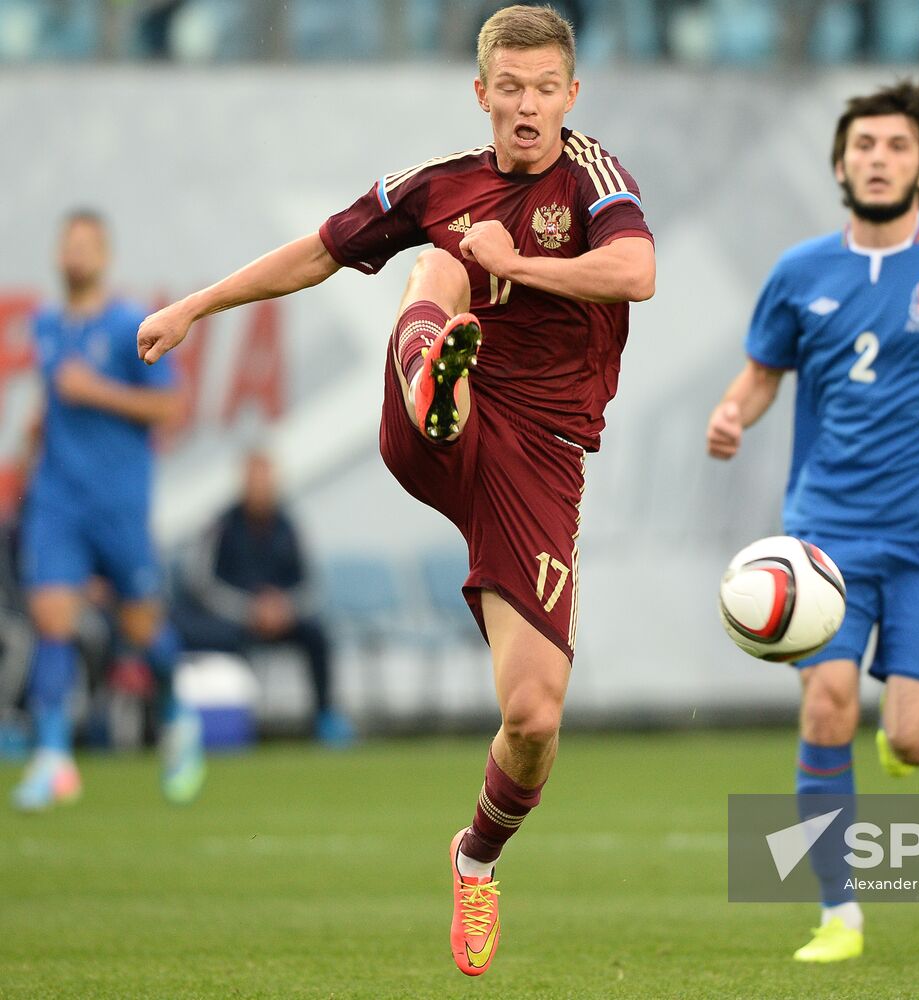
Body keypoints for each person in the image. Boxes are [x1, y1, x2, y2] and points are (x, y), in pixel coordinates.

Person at [134, 5, 654, 977]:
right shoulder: (440, 184)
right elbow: (321, 250)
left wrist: (526, 264)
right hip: (435, 427)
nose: (529, 108)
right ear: (482, 94)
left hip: (539, 460)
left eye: (546, 90)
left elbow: (637, 270)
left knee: (534, 715)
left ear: (571, 95)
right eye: (511, 90)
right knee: (440, 255)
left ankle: (475, 855)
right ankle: (434, 379)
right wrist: (197, 303)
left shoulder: (595, 177)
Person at [705, 79, 919, 963]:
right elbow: (760, 371)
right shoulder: (799, 273)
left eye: (896, 146)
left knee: (915, 739)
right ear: (838, 164)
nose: (878, 158)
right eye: (863, 145)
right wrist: (734, 412)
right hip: (825, 536)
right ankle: (838, 916)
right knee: (825, 705)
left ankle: (904, 737)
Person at [12, 209, 206, 812]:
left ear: (105, 256)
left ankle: (177, 716)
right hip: (57, 500)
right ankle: (52, 758)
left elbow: (170, 408)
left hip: (118, 503)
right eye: (68, 244)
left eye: (87, 245)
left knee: (142, 630)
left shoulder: (129, 324)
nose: (76, 254)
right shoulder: (45, 325)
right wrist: (37, 436)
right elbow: (58, 402)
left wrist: (92, 390)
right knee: (51, 618)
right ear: (57, 254)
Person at [173, 451, 354, 747]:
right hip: (237, 621)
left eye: (266, 481)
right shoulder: (222, 525)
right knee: (225, 641)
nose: (261, 488)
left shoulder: (288, 525)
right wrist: (250, 611)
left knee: (316, 635)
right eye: (254, 481)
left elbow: (310, 582)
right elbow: (203, 584)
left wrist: (285, 608)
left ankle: (325, 716)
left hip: (282, 618)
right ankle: (243, 723)